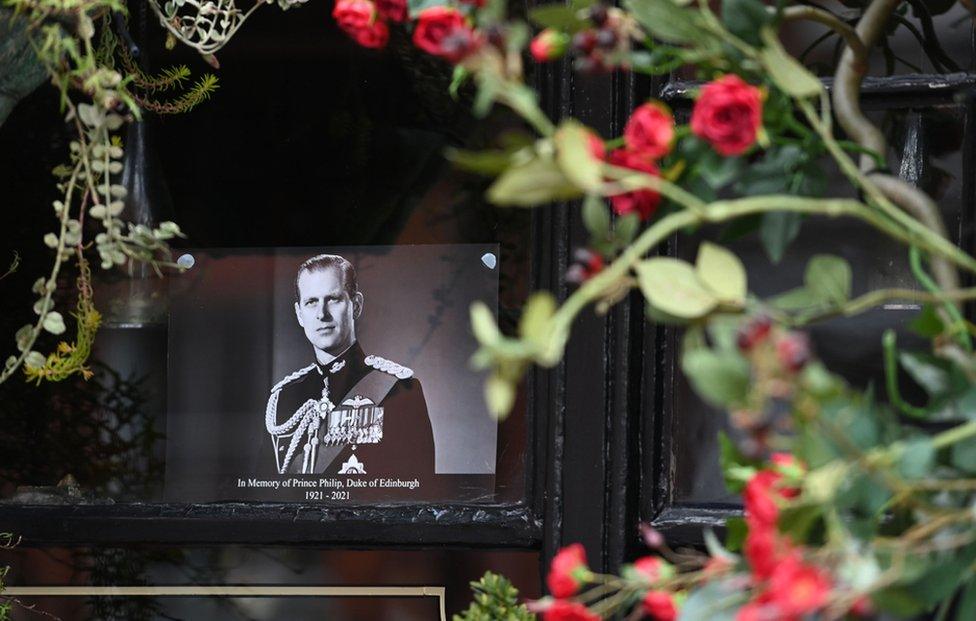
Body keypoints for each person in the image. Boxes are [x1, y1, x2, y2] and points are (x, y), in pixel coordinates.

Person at [264, 254, 435, 484]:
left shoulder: (398, 390)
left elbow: (417, 491)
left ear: (355, 305)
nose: (321, 314)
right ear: (299, 314)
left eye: (333, 299)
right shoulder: (282, 398)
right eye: (311, 302)